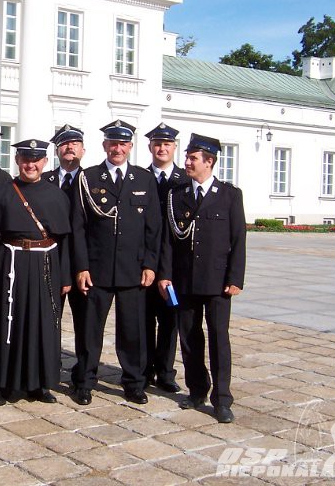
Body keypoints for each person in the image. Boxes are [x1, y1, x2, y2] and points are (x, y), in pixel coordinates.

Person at [70, 120, 161, 406]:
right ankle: (84, 381)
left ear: (130, 146)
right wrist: (81, 267)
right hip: (97, 269)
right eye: (112, 143)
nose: (117, 149)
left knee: (133, 331)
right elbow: (78, 227)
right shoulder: (88, 178)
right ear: (104, 145)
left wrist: (150, 264)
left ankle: (134, 382)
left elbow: (153, 227)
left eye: (122, 144)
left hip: (133, 269)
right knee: (90, 330)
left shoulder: (144, 179)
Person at [158, 133, 246, 423]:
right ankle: (197, 390)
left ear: (209, 162)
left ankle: (222, 399)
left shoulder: (229, 195)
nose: (187, 162)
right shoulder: (177, 195)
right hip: (185, 281)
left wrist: (235, 278)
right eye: (187, 157)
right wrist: (165, 275)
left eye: (193, 158)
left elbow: (238, 239)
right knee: (189, 338)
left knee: (219, 339)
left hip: (218, 282)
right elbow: (169, 240)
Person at [0, 139, 72, 405]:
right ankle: (4, 383)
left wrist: (65, 275)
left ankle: (39, 384)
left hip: (45, 264)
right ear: (17, 161)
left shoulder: (56, 195)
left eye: (35, 160)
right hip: (9, 264)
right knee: (7, 322)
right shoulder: (1, 193)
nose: (30, 165)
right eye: (25, 159)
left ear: (45, 162)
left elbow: (65, 240)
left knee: (42, 323)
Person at [143, 122, 187, 394]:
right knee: (144, 319)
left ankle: (166, 372)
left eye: (167, 144)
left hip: (175, 265)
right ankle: (145, 368)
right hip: (145, 262)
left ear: (174, 147)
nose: (162, 148)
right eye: (157, 144)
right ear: (150, 147)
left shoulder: (185, 180)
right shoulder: (139, 178)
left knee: (170, 320)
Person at [42, 124, 86, 387]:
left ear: (83, 149)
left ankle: (83, 375)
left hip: (82, 263)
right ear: (57, 150)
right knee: (49, 318)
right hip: (50, 260)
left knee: (85, 322)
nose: (69, 148)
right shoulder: (44, 180)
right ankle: (49, 367)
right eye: (64, 144)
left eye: (74, 143)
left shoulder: (92, 180)